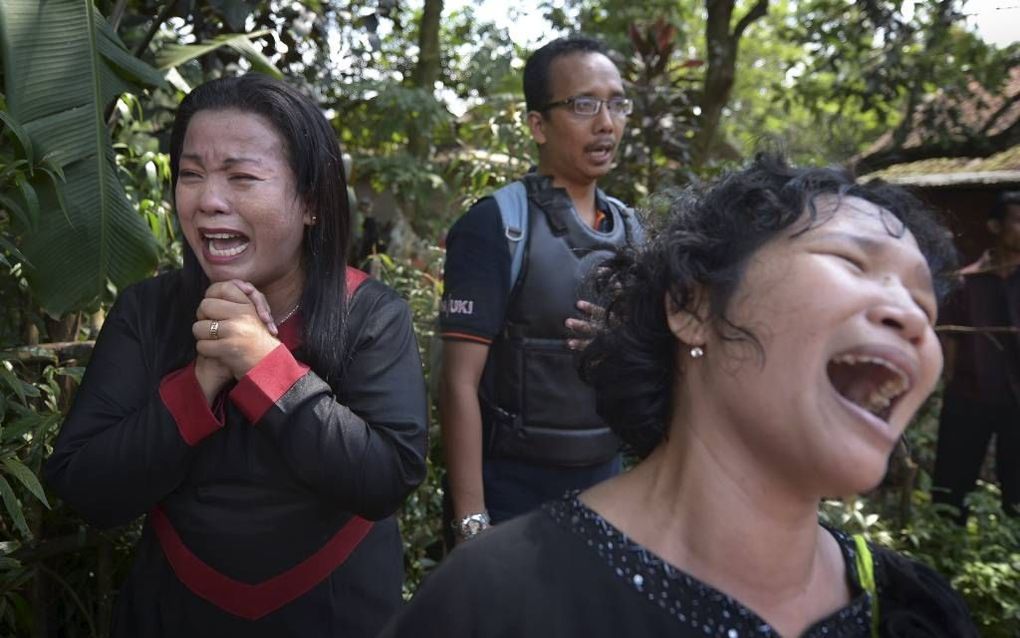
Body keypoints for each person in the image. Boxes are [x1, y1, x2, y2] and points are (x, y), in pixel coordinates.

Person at [381, 155, 977, 637]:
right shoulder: (495, 599)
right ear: (692, 306)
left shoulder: (913, 611)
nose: (910, 316)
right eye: (851, 260)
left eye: (925, 304)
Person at [45, 74, 428, 637]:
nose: (208, 201)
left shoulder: (370, 314)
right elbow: (85, 485)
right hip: (174, 609)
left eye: (243, 177)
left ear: (313, 203)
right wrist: (201, 379)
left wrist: (263, 364)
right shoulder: (147, 312)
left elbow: (384, 478)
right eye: (191, 175)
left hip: (337, 609)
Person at [438, 35, 642, 545]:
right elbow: (458, 383)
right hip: (512, 493)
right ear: (537, 124)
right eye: (583, 105)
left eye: (617, 103)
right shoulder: (495, 226)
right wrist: (471, 522)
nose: (606, 123)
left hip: (609, 484)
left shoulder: (634, 231)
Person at [932, 190, 1020, 521]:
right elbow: (950, 341)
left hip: (1018, 401)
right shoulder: (965, 283)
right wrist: (952, 386)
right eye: (1018, 220)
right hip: (969, 396)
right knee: (951, 488)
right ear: (995, 227)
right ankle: (947, 545)